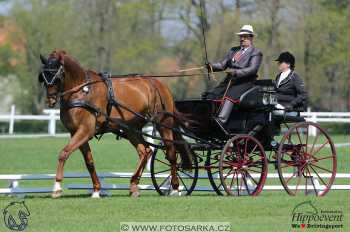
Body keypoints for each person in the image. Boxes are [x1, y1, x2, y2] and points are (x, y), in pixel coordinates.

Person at [202, 24, 263, 128]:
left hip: (245, 82)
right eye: (241, 36)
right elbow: (222, 65)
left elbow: (252, 69)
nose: (242, 39)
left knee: (229, 96)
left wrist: (236, 72)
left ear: (251, 38)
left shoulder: (256, 52)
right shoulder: (233, 50)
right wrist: (211, 66)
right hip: (230, 81)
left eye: (245, 36)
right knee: (211, 94)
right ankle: (207, 118)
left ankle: (221, 120)